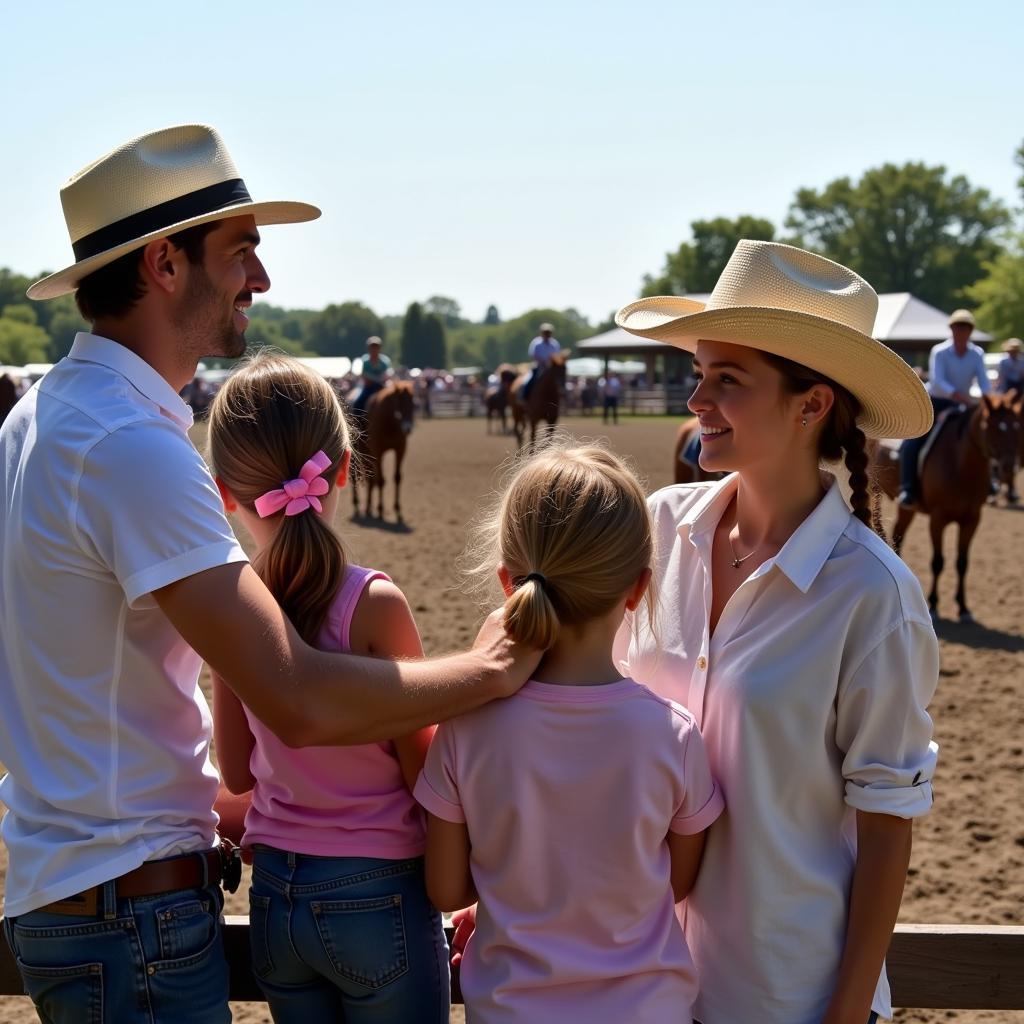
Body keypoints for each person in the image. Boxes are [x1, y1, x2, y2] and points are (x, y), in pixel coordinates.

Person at [0, 123, 536, 1024]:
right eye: (242, 249)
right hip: (133, 915)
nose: (263, 278)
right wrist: (490, 668)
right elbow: (295, 696)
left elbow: (71, 675)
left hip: (86, 894)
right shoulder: (130, 444)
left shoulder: (44, 417)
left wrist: (210, 799)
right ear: (166, 263)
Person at [612, 239, 940, 1024]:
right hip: (635, 979)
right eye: (699, 373)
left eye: (727, 379)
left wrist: (847, 1012)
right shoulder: (656, 529)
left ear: (812, 404)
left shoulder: (871, 594)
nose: (697, 399)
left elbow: (888, 820)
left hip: (781, 994)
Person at [415, 442, 723, 1024]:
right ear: (637, 588)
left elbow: (448, 890)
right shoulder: (672, 736)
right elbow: (674, 885)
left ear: (510, 582)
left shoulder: (465, 728)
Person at [208, 353, 449, 1022]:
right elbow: (423, 768)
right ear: (344, 467)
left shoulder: (232, 603)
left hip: (277, 895)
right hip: (380, 891)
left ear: (225, 492)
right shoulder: (375, 603)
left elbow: (234, 768)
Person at [898, 308, 990, 509]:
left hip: (963, 404)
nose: (961, 331)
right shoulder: (939, 351)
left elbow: (984, 381)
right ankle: (907, 488)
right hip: (936, 402)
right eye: (958, 327)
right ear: (951, 330)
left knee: (985, 436)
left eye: (965, 327)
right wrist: (962, 398)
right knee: (913, 442)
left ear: (970, 331)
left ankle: (989, 482)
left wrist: (989, 400)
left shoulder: (977, 354)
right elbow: (938, 381)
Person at [351, 335, 392, 419]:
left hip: (382, 387)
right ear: (369, 349)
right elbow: (364, 376)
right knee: (358, 403)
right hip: (368, 388)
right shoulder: (365, 361)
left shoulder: (384, 361)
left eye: (376, 347)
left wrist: (380, 379)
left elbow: (387, 374)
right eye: (372, 347)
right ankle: (358, 422)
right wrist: (377, 379)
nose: (374, 349)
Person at [521, 322, 560, 400]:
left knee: (560, 382)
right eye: (545, 332)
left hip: (551, 368)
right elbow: (533, 355)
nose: (547, 334)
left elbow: (557, 355)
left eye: (549, 333)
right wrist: (543, 361)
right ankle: (525, 398)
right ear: (542, 333)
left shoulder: (554, 344)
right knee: (530, 380)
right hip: (539, 366)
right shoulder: (536, 343)